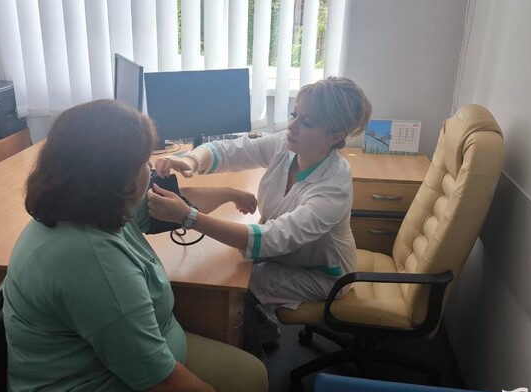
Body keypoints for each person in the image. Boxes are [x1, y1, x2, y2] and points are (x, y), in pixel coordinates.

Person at [2, 99, 268, 392]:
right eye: (144, 162)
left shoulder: (99, 206)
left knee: (252, 379)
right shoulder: (90, 260)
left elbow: (169, 204)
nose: (152, 169)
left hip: (133, 361)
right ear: (120, 179)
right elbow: (158, 381)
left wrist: (229, 193)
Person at [148, 76, 372, 358]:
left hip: (323, 275)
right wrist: (189, 161)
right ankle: (262, 326)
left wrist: (188, 217)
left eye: (306, 122)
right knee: (231, 268)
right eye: (294, 115)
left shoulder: (333, 188)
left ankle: (253, 355)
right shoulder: (287, 147)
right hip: (289, 256)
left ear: (335, 136)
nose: (292, 126)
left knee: (235, 285)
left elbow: (270, 239)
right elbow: (232, 150)